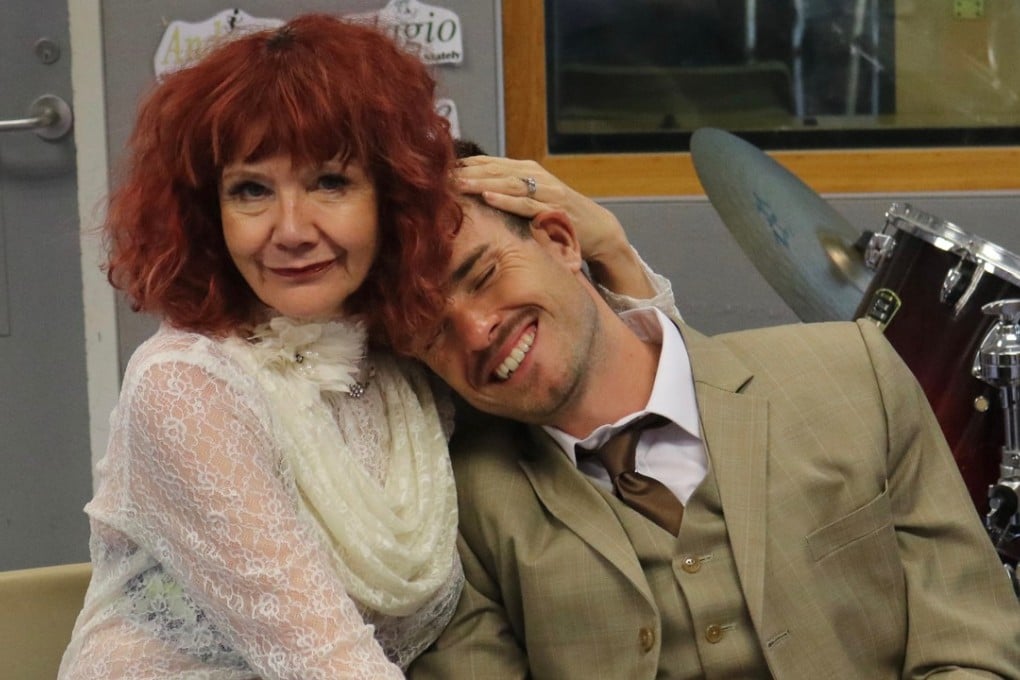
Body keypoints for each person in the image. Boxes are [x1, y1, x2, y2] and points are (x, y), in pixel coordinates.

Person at [58, 15, 669, 679]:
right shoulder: (185, 387)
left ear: (390, 194)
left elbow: (623, 402)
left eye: (329, 182)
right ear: (210, 213)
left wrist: (611, 248)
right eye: (251, 190)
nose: (291, 230)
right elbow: (328, 663)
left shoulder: (403, 344)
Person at [406, 196, 1020, 678]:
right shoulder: (460, 513)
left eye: (484, 275)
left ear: (560, 241)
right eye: (433, 331)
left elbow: (972, 648)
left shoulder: (853, 374)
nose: (477, 330)